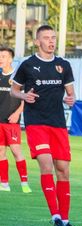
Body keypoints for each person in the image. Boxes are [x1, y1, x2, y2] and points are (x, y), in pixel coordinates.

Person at [11, 25, 80, 226]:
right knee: (47, 164)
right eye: (47, 38)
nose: (51, 41)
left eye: (53, 37)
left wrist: (71, 99)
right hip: (36, 123)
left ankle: (65, 220)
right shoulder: (27, 65)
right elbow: (14, 90)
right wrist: (24, 96)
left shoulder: (63, 65)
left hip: (58, 123)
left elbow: (71, 94)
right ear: (37, 42)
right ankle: (56, 217)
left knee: (63, 170)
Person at [0, 47, 31, 193]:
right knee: (1, 152)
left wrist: (17, 113)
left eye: (3, 56)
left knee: (16, 150)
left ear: (11, 59)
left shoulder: (18, 78)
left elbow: (25, 99)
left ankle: (24, 182)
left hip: (11, 122)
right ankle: (4, 184)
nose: (0, 59)